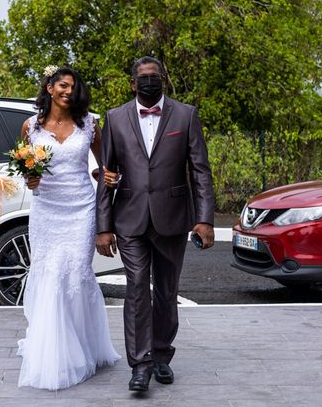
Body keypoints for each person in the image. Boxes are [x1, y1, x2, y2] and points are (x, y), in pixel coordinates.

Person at [96, 56, 215, 392]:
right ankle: (141, 364)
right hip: (129, 218)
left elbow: (200, 171)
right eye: (143, 77)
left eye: (156, 76)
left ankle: (162, 354)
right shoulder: (115, 118)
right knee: (136, 290)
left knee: (166, 291)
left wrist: (204, 219)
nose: (150, 81)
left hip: (173, 218)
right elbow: (106, 176)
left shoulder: (186, 114)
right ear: (133, 83)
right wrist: (103, 226)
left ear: (163, 79)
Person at [17, 65, 120, 390]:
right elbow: (27, 173)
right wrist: (30, 179)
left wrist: (107, 178)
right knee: (49, 275)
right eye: (62, 85)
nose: (67, 92)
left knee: (75, 275)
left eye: (73, 87)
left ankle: (83, 347)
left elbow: (107, 168)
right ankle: (53, 353)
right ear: (49, 87)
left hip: (80, 210)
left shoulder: (90, 124)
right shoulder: (30, 127)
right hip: (46, 210)